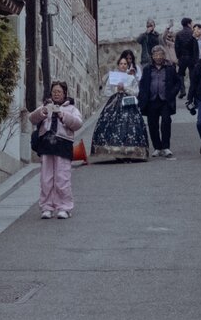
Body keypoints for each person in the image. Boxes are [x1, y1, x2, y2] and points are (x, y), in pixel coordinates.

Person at [25, 81, 82, 219]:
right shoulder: (46, 106)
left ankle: (64, 207)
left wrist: (64, 115)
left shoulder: (71, 109)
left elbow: (78, 123)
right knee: (46, 178)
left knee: (62, 178)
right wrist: (42, 112)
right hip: (46, 144)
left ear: (64, 94)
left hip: (63, 145)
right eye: (54, 92)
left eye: (59, 92)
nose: (56, 94)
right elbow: (32, 118)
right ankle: (47, 206)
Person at [91, 50, 150, 161]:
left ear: (127, 65)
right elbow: (106, 92)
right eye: (121, 64)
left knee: (130, 126)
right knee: (114, 126)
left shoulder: (131, 78)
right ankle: (116, 151)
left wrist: (126, 89)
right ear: (118, 65)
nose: (123, 66)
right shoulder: (113, 77)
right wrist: (116, 89)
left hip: (128, 102)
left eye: (125, 64)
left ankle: (131, 151)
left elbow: (136, 92)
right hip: (114, 103)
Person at [138, 42, 179, 158]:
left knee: (166, 122)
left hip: (165, 100)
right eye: (156, 55)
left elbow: (177, 83)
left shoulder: (170, 68)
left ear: (164, 55)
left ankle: (166, 147)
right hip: (151, 100)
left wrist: (172, 94)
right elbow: (142, 84)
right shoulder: (147, 69)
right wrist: (142, 97)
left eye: (160, 54)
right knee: (152, 124)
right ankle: (157, 147)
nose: (158, 57)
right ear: (152, 56)